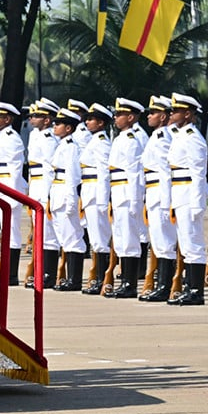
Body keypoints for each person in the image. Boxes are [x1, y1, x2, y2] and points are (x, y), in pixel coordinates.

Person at [167, 93, 208, 306]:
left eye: (176, 111)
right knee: (185, 244)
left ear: (188, 113)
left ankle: (196, 291)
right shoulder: (180, 136)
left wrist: (197, 203)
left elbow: (198, 173)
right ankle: (189, 288)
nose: (172, 114)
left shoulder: (193, 138)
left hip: (188, 194)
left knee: (193, 244)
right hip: (179, 193)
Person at [108, 98, 147, 298]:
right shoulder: (121, 138)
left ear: (130, 117)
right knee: (122, 239)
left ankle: (130, 284)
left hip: (126, 193)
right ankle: (125, 281)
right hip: (118, 192)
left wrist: (134, 200)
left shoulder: (131, 140)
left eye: (119, 114)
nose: (115, 117)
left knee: (130, 239)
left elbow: (134, 173)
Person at [140, 96, 177, 302]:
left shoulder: (163, 137)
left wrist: (165, 202)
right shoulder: (156, 136)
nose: (149, 116)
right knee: (159, 241)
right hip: (153, 192)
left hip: (160, 194)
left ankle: (166, 285)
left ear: (163, 117)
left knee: (165, 241)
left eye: (153, 113)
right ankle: (162, 284)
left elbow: (165, 172)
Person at [24, 98, 61, 289]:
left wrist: (47, 195)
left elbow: (48, 168)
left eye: (37, 116)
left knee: (48, 232)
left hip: (44, 185)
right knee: (40, 231)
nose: (32, 119)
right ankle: (41, 272)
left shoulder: (48, 139)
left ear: (47, 120)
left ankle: (49, 273)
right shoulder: (35, 136)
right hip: (36, 184)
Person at [49, 108, 86, 291]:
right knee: (65, 237)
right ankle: (69, 278)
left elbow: (73, 176)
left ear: (69, 128)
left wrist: (72, 201)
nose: (55, 126)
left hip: (65, 193)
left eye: (59, 124)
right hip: (58, 192)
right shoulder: (63, 144)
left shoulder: (71, 146)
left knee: (73, 238)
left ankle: (74, 279)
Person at [0, 101, 29, 286]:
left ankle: (11, 274)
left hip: (9, 187)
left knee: (12, 232)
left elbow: (15, 169)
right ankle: (6, 272)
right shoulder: (2, 137)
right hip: (1, 185)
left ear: (7, 119)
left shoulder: (12, 137)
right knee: (4, 232)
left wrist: (13, 195)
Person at [80, 103, 114, 295]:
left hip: (96, 193)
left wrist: (102, 200)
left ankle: (103, 278)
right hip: (89, 192)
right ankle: (98, 278)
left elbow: (103, 172)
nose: (87, 122)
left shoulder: (101, 142)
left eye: (91, 119)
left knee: (100, 239)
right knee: (95, 238)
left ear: (101, 123)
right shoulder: (94, 141)